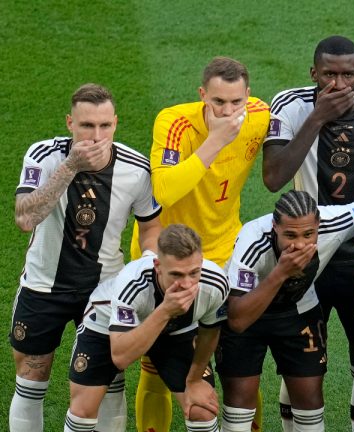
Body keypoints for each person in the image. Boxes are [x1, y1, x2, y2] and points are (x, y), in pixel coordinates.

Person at [128, 56, 270, 432]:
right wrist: (215, 141)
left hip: (226, 255)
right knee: (156, 367)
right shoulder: (173, 122)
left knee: (237, 362)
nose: (227, 111)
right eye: (218, 102)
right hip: (170, 259)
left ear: (248, 96)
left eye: (236, 102)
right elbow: (164, 189)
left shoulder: (260, 115)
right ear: (202, 94)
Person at [10, 83, 162, 432]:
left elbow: (151, 227)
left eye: (104, 126)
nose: (96, 135)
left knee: (107, 384)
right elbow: (25, 218)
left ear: (116, 123)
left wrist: (147, 265)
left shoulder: (137, 169)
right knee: (32, 380)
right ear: (69, 123)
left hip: (104, 292)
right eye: (86, 126)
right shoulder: (44, 156)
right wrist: (71, 167)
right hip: (42, 286)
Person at [261, 35, 354, 428]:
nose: (338, 85)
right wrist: (317, 117)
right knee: (300, 364)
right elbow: (274, 177)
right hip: (307, 253)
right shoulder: (291, 104)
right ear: (313, 74)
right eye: (328, 76)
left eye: (347, 75)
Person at [216, 190, 354, 432]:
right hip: (247, 312)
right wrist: (280, 273)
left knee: (309, 403)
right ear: (275, 226)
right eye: (290, 235)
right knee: (239, 407)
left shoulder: (335, 221)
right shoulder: (252, 239)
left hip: (298, 311)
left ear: (319, 225)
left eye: (308, 234)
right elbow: (237, 319)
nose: (299, 244)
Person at [65, 224, 227, 432]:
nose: (187, 284)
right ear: (158, 266)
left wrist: (194, 379)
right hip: (106, 326)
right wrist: (165, 311)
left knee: (201, 410)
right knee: (82, 414)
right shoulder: (132, 283)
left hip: (175, 331)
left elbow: (210, 332)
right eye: (177, 275)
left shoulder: (215, 283)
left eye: (194, 272)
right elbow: (121, 357)